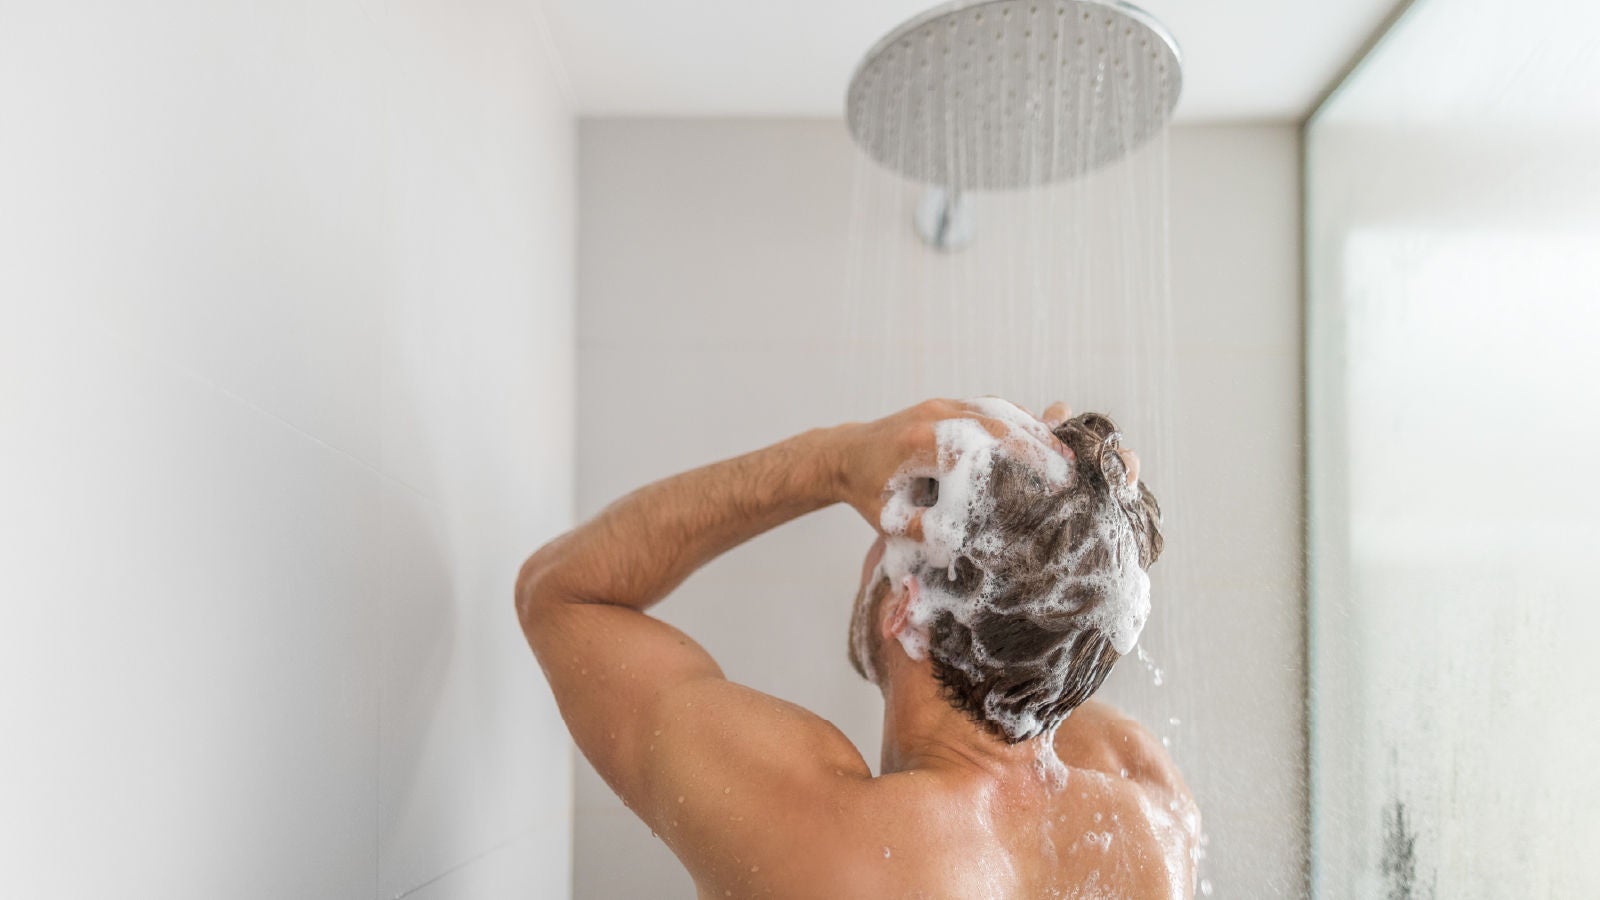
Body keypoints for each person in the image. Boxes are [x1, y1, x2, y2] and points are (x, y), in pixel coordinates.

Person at [516, 398, 1199, 898]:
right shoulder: (1148, 813)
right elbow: (1046, 632)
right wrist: (1077, 517)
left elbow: (561, 594)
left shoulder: (831, 838)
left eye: (885, 538)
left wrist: (836, 461)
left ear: (906, 609)